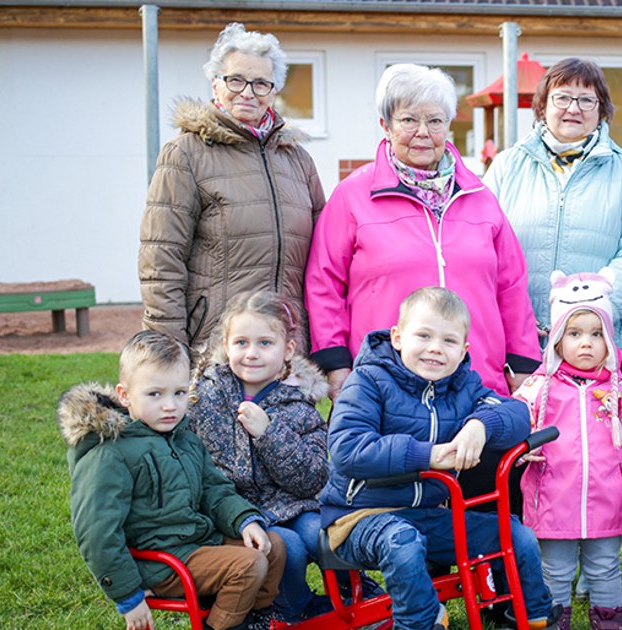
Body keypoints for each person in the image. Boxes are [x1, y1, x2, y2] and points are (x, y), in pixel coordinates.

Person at [305, 63, 540, 506]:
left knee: (488, 520)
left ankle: (493, 579)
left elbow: (511, 285)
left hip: (475, 382)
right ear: (385, 125)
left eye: (434, 121)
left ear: (449, 127)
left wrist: (523, 367)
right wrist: (338, 367)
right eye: (408, 119)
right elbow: (323, 284)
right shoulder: (353, 197)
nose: (422, 132)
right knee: (413, 526)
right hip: (393, 391)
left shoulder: (479, 197)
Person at [318, 287, 559, 630]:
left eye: (448, 341)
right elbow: (347, 447)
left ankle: (530, 615)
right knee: (401, 542)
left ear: (463, 351)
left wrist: (479, 425)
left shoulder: (463, 385)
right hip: (359, 516)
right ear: (398, 338)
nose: (435, 348)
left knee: (515, 534)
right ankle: (420, 622)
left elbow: (518, 414)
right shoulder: (369, 380)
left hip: (428, 514)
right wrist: (426, 456)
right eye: (424, 336)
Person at [62, 330, 286, 630]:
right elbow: (97, 532)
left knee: (272, 547)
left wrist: (245, 520)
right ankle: (224, 626)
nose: (170, 406)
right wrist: (128, 595)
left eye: (179, 393)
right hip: (159, 562)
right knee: (248, 565)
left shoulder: (184, 438)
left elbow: (214, 490)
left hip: (197, 542)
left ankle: (252, 617)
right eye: (155, 394)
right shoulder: (110, 453)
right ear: (125, 395)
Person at [140, 23, 326, 356]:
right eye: (236, 80)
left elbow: (323, 260)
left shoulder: (298, 161)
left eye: (260, 83)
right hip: (216, 348)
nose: (248, 92)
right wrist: (168, 351)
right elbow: (161, 261)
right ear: (215, 84)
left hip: (286, 350)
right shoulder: (185, 154)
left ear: (273, 91)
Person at [484, 58, 622, 379]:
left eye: (586, 100)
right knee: (523, 427)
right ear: (542, 106)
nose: (573, 109)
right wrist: (514, 319)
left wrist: (590, 317)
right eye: (562, 98)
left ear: (601, 109)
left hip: (596, 341)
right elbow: (482, 244)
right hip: (519, 340)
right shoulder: (507, 166)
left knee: (592, 429)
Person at [513, 269, 622, 630]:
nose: (586, 343)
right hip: (552, 502)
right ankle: (554, 622)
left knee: (606, 567)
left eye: (596, 334)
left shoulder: (619, 391)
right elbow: (511, 423)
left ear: (609, 339)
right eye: (574, 334)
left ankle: (609, 623)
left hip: (607, 500)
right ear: (557, 340)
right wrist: (520, 447)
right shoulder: (539, 388)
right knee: (555, 571)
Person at [187, 291, 333, 621]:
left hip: (292, 504)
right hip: (236, 511)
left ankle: (352, 596)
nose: (251, 354)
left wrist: (269, 434)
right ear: (226, 345)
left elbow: (312, 477)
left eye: (265, 343)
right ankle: (293, 609)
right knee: (290, 549)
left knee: (325, 535)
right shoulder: (206, 396)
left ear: (288, 350)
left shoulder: (300, 406)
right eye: (241, 343)